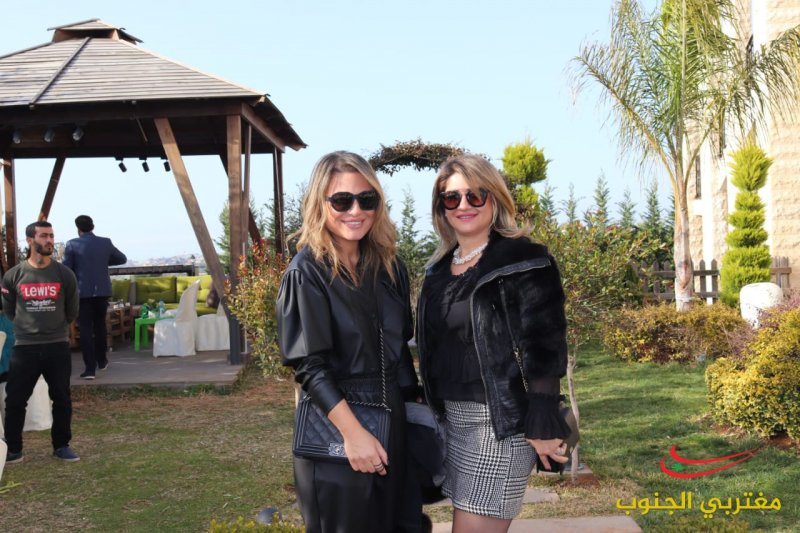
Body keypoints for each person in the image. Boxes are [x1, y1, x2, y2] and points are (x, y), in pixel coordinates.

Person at [416, 154, 572, 533]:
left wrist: (542, 418)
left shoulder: (525, 260)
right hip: (451, 420)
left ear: (495, 199)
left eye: (475, 195)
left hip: (500, 423)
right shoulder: (438, 271)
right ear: (441, 207)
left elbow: (545, 343)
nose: (464, 205)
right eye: (452, 197)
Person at [276, 151, 423, 532]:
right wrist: (353, 435)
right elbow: (310, 367)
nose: (355, 210)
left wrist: (417, 416)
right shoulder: (306, 272)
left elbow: (399, 352)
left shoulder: (389, 267)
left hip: (394, 420)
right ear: (320, 204)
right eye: (342, 200)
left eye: (366, 199)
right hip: (338, 425)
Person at [2, 220, 80, 464]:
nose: (49, 240)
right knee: (15, 400)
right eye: (44, 235)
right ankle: (13, 449)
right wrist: (28, 329)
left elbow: (72, 310)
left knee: (62, 398)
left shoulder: (64, 274)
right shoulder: (13, 276)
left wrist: (54, 328)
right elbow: (9, 310)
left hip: (57, 346)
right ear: (30, 240)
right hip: (24, 348)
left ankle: (61, 446)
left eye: (51, 235)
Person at [62, 214, 127, 379]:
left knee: (85, 329)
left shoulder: (72, 244)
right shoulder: (105, 242)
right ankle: (102, 361)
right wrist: (102, 261)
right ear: (93, 226)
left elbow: (66, 269)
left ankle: (90, 369)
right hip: (103, 292)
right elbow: (122, 259)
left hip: (82, 293)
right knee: (100, 327)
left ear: (78, 228)